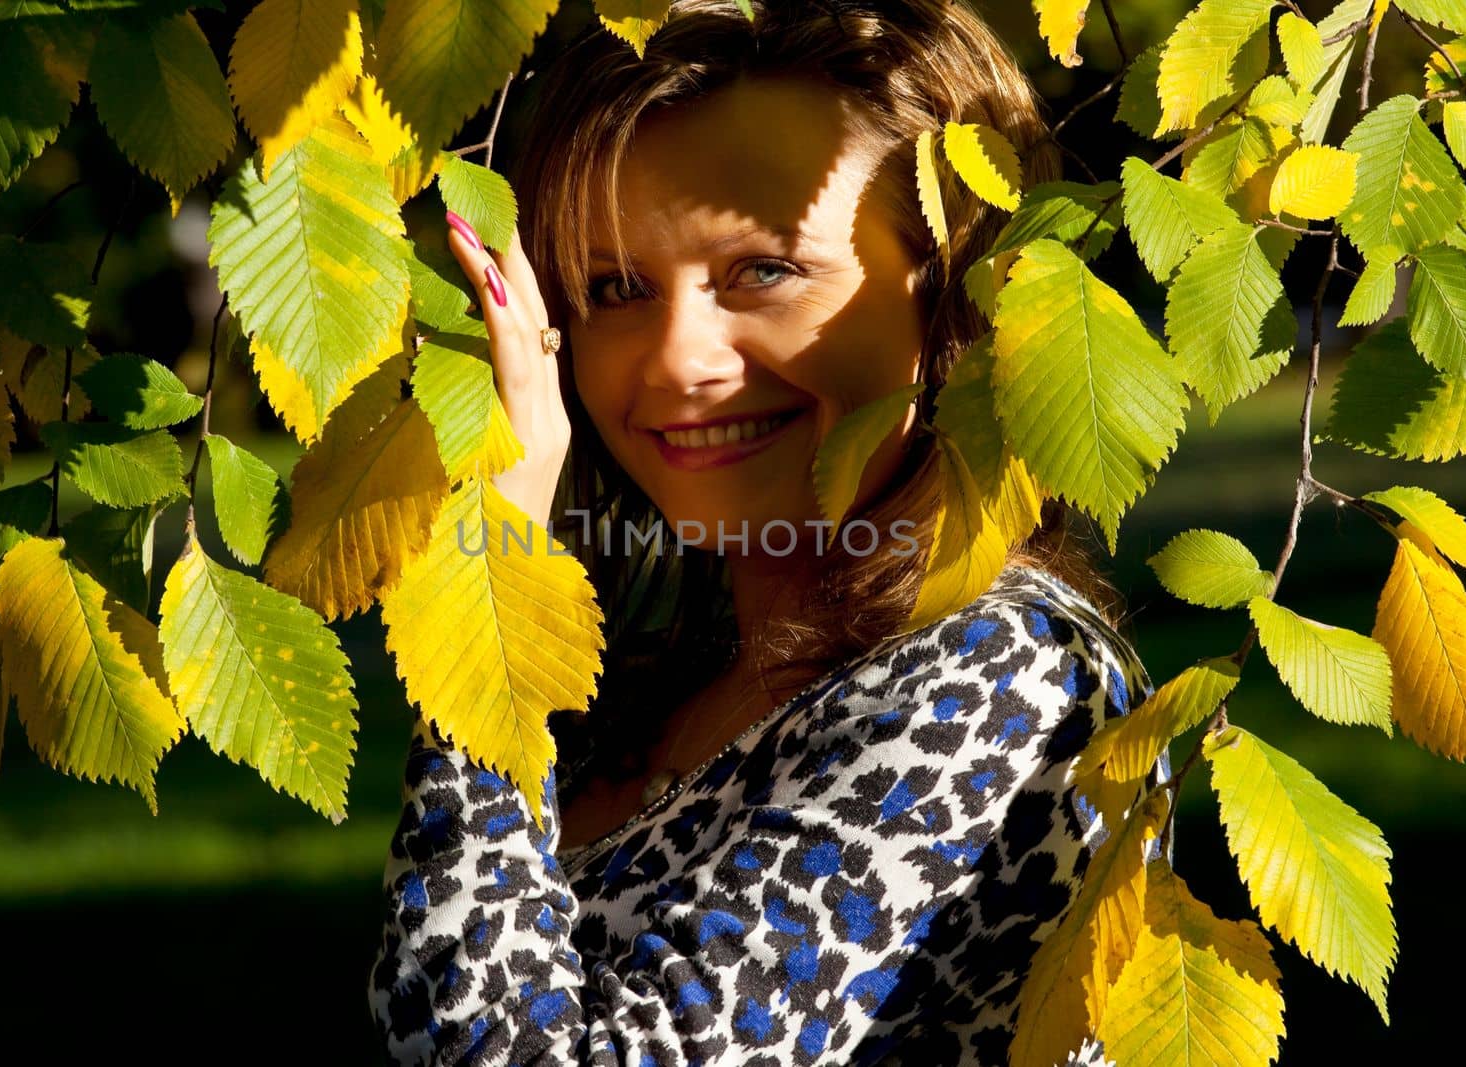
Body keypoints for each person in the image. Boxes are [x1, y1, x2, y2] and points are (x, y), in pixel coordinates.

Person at [367, 2, 1163, 1064]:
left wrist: (491, 591)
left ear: (960, 284)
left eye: (762, 271)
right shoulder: (662, 681)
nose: (677, 361)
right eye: (615, 288)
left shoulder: (1002, 678)